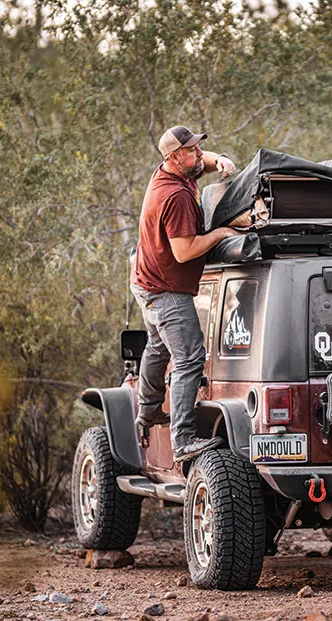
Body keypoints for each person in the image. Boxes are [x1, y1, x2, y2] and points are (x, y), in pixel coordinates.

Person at [131, 125, 238, 461]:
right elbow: (185, 251)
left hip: (146, 281)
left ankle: (148, 410)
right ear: (174, 157)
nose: (197, 155)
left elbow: (201, 163)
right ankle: (183, 441)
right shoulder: (174, 196)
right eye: (190, 151)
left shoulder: (173, 172)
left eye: (197, 149)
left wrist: (217, 159)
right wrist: (222, 232)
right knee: (190, 358)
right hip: (165, 290)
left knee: (157, 345)